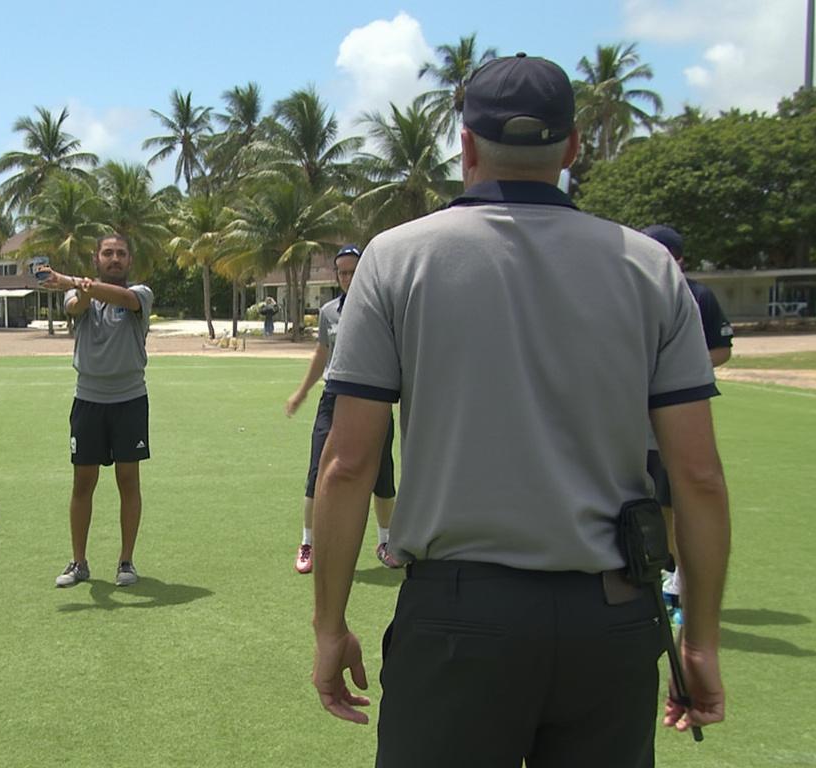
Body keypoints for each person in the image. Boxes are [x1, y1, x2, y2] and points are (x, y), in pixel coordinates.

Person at [309, 53, 730, 766]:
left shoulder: (395, 258)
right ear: (571, 149)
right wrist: (699, 642)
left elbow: (349, 466)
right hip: (612, 619)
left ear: (466, 145)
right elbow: (699, 478)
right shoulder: (649, 267)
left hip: (456, 619)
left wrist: (329, 625)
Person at [38, 233, 154, 588]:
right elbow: (75, 306)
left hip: (129, 400)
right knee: (82, 483)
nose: (115, 258)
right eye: (108, 253)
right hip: (88, 401)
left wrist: (70, 280)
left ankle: (126, 562)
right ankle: (79, 562)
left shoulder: (141, 294)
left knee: (127, 481)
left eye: (121, 253)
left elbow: (123, 298)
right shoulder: (80, 294)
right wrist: (78, 288)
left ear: (129, 260)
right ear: (96, 258)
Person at [285, 244, 400, 574]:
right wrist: (302, 392)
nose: (348, 277)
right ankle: (308, 543)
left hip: (373, 398)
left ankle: (387, 541)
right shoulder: (329, 312)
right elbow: (321, 353)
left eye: (354, 270)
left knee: (382, 474)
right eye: (343, 272)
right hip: (333, 398)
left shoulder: (382, 307)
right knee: (316, 473)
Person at [642, 224, 733, 623]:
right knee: (646, 500)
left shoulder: (697, 295)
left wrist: (677, 372)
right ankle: (659, 572)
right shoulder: (630, 289)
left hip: (675, 417)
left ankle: (681, 582)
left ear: (677, 258)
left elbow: (721, 349)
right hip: (629, 420)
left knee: (676, 498)